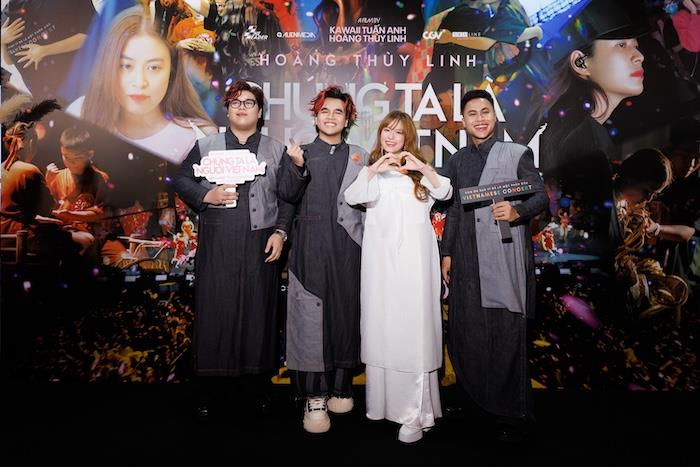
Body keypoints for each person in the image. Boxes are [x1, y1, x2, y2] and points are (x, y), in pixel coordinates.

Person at [173, 80, 294, 421]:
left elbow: (287, 197)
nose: (242, 107)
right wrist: (205, 195)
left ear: (260, 111)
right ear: (227, 109)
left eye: (249, 102)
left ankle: (256, 392)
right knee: (216, 313)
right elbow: (181, 180)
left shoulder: (275, 149)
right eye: (236, 102)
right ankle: (210, 393)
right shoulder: (206, 144)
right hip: (218, 242)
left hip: (261, 243)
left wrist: (281, 232)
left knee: (258, 315)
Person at [440, 89, 548, 441]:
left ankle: (509, 412)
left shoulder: (515, 153)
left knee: (504, 331)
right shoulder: (457, 161)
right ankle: (475, 401)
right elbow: (454, 210)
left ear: (494, 115)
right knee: (466, 330)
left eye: (485, 111)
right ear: (463, 121)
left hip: (502, 254)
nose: (480, 119)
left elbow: (540, 196)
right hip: (466, 256)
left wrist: (518, 211)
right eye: (472, 113)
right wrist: (447, 253)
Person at [344, 111, 452, 443]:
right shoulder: (372, 174)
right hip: (380, 267)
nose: (391, 136)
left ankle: (416, 414)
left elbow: (445, 192)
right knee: (384, 331)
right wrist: (373, 169)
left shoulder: (419, 174)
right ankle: (385, 405)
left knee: (414, 333)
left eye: (398, 132)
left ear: (408, 138)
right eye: (386, 130)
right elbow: (352, 197)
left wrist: (422, 168)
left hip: (415, 266)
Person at [277, 85, 368, 434]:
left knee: (346, 312)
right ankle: (314, 396)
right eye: (324, 111)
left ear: (347, 119)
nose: (331, 117)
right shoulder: (300, 153)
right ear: (315, 117)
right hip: (309, 247)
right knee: (310, 318)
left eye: (338, 112)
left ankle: (341, 386)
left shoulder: (360, 156)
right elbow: (286, 196)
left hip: (350, 248)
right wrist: (297, 166)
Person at [540, 0, 646, 262]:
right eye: (621, 45)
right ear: (581, 63)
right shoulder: (585, 139)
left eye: (635, 45)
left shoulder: (577, 128)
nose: (639, 55)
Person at [66, 7, 216, 165]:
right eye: (126, 66)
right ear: (108, 66)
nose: (139, 82)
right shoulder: (80, 112)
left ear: (172, 72)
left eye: (153, 67)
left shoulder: (199, 141)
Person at [45, 126, 110, 257]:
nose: (71, 162)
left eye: (77, 157)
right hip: (62, 232)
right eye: (65, 156)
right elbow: (46, 208)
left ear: (90, 154)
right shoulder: (56, 177)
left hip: (89, 233)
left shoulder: (100, 178)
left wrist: (71, 215)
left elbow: (100, 213)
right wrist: (47, 182)